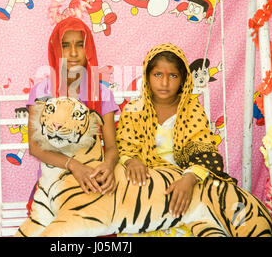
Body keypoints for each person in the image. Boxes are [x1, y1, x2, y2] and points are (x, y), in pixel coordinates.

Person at [116, 43, 236, 222]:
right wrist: (132, 161)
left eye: (173, 75)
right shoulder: (134, 110)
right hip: (146, 184)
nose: (164, 83)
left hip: (185, 182)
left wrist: (189, 179)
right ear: (147, 77)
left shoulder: (191, 110)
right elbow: (125, 149)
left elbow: (205, 153)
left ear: (183, 80)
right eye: (157, 75)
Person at [26, 17, 119, 196]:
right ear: (56, 50)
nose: (73, 53)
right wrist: (74, 166)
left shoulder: (102, 93)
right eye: (65, 45)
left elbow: (111, 147)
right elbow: (35, 147)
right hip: (54, 178)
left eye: (80, 45)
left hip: (92, 176)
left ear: (89, 49)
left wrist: (108, 165)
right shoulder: (41, 91)